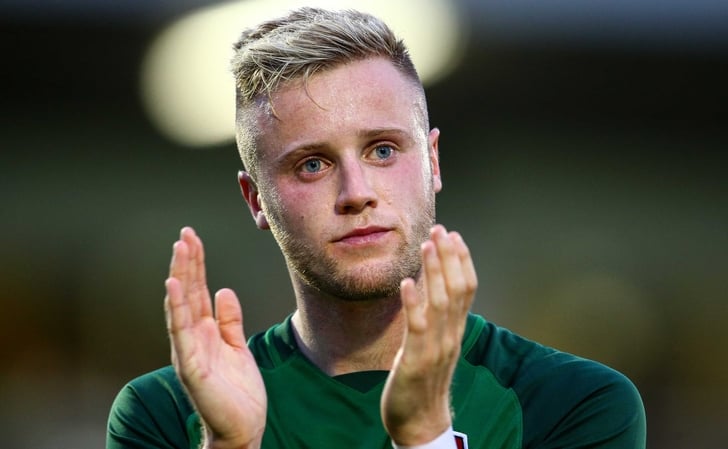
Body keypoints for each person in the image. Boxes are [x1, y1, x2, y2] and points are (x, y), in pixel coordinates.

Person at [107, 7, 646, 449]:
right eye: (311, 164)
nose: (356, 191)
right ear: (257, 200)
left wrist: (425, 436)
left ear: (433, 162)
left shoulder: (575, 403)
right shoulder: (167, 414)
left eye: (383, 149)